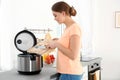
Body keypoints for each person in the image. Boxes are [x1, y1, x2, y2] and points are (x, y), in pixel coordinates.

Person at [46, 1, 83, 80]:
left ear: (63, 13)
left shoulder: (74, 28)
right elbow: (69, 43)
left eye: (55, 15)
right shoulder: (68, 28)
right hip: (67, 73)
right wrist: (59, 40)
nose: (54, 18)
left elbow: (73, 55)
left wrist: (56, 44)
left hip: (70, 74)